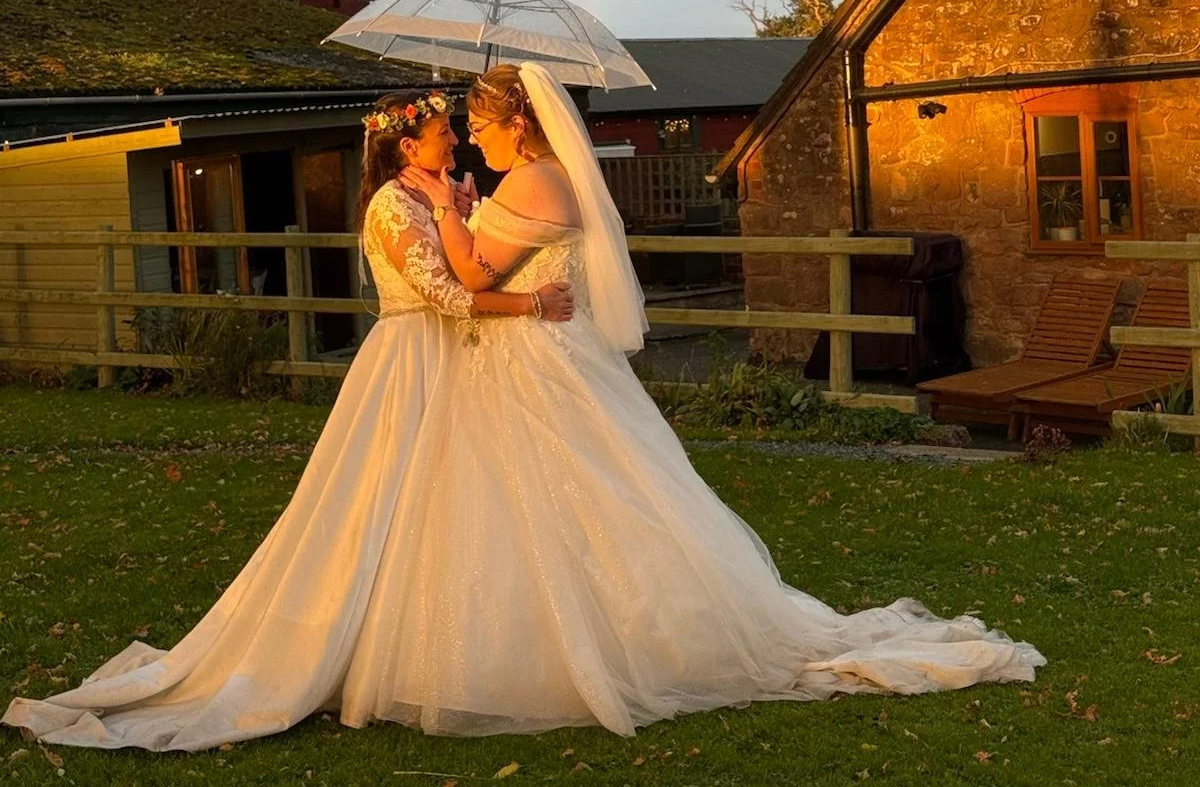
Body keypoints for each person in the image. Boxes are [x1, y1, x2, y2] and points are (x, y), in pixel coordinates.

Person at [379, 62, 1045, 737]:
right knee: (544, 498)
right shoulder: (535, 179)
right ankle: (525, 630)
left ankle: (599, 639)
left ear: (519, 125)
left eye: (482, 127)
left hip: (540, 362)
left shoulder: (533, 179)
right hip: (533, 355)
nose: (473, 142)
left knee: (576, 494)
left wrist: (440, 204)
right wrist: (467, 211)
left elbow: (469, 272)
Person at [1, 89, 573, 752]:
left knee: (440, 502)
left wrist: (458, 215)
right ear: (409, 147)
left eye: (454, 130)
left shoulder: (431, 195)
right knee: (379, 499)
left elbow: (461, 263)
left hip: (448, 364)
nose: (456, 141)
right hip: (410, 360)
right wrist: (529, 301)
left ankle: (434, 641)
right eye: (446, 132)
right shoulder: (391, 204)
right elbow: (447, 295)